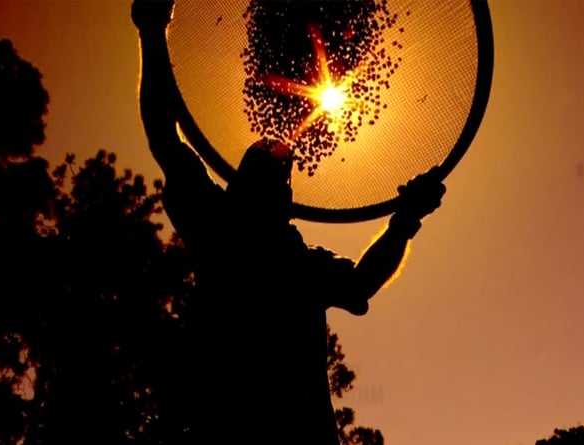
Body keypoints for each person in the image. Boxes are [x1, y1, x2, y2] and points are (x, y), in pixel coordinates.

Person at [131, 1, 446, 443]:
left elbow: (359, 284)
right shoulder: (224, 228)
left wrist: (405, 222)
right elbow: (163, 132)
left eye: (279, 176)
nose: (278, 175)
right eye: (268, 172)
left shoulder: (247, 238)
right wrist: (150, 29)